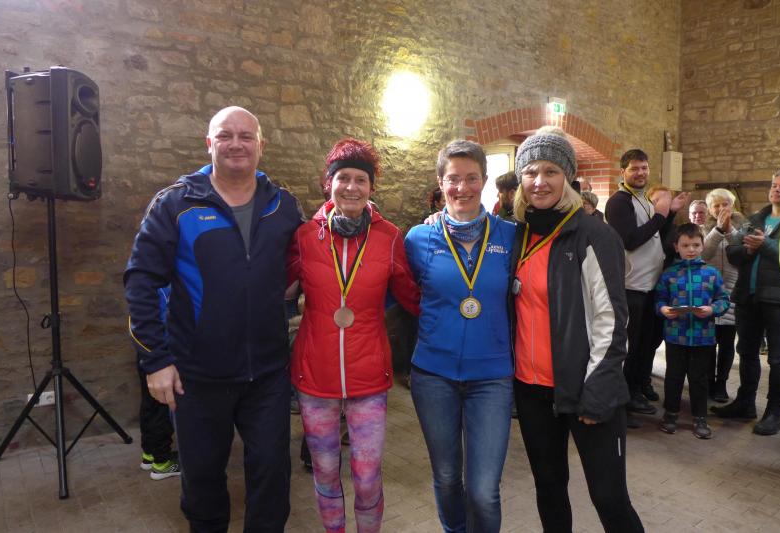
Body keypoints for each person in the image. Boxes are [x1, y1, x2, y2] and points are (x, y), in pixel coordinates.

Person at [125, 106, 303, 532]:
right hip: (197, 377)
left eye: (246, 136)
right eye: (225, 136)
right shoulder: (175, 204)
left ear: (261, 145)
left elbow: (314, 254)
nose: (236, 144)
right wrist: (155, 361)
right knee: (203, 483)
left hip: (268, 375)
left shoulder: (283, 205)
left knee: (272, 478)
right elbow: (140, 281)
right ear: (209, 144)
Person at [510, 127, 643, 533]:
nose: (539, 181)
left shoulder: (592, 234)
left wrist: (599, 388)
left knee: (609, 498)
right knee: (549, 490)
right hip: (532, 390)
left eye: (551, 171)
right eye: (531, 172)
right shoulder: (518, 234)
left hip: (586, 387)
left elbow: (611, 320)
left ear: (567, 177)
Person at [287, 138, 420, 533]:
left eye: (360, 179)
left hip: (369, 377)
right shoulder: (304, 237)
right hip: (316, 375)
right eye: (342, 178)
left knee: (367, 476)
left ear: (371, 187)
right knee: (326, 474)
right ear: (328, 183)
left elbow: (413, 296)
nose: (351, 186)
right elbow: (273, 287)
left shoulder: (389, 237)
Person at [404, 140, 515, 533]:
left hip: (492, 378)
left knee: (483, 490)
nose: (462, 187)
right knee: (448, 477)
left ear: (484, 180)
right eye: (453, 179)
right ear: (440, 182)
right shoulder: (418, 238)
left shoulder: (511, 236)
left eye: (471, 178)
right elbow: (402, 292)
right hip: (433, 375)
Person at [605, 149, 689, 424]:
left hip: (649, 285)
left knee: (644, 345)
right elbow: (630, 240)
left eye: (644, 167)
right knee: (628, 348)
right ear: (623, 172)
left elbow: (656, 237)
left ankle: (635, 391)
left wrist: (669, 214)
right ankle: (621, 404)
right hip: (631, 286)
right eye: (634, 168)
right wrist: (660, 216)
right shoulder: (619, 202)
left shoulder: (642, 199)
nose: (640, 173)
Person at [712, 169, 780, 436]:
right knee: (746, 352)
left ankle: (774, 412)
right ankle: (745, 403)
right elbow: (733, 253)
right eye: (774, 185)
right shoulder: (756, 219)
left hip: (779, 299)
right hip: (748, 296)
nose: (776, 190)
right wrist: (747, 248)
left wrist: (763, 244)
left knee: (778, 359)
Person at [655, 223, 730, 439]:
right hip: (675, 336)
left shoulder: (711, 273)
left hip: (703, 337)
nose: (691, 249)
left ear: (702, 245)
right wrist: (663, 309)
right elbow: (659, 299)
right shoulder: (669, 274)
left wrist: (712, 309)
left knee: (699, 378)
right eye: (685, 245)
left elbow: (723, 299)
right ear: (676, 247)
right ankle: (671, 413)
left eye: (696, 245)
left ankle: (700, 417)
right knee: (674, 376)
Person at [701, 188, 744, 402]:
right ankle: (709, 382)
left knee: (727, 344)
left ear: (732, 206)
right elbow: (704, 254)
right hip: (708, 293)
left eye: (724, 204)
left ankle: (721, 385)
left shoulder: (743, 227)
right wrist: (718, 230)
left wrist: (730, 230)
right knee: (709, 344)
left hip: (732, 292)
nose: (720, 209)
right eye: (716, 205)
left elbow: (742, 255)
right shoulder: (703, 229)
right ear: (710, 209)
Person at [137, 286, 180, 480]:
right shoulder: (163, 283)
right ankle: (162, 463)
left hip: (145, 351)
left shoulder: (145, 283)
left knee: (150, 403)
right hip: (161, 354)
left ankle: (150, 453)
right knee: (162, 406)